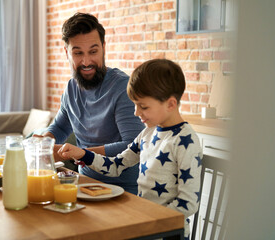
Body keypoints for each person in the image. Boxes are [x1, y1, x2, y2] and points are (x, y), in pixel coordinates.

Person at [58, 59, 202, 239]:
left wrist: (146, 218)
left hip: (168, 233)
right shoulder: (148, 134)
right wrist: (84, 154)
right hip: (146, 226)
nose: (135, 113)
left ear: (171, 104)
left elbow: (189, 203)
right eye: (135, 104)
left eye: (143, 106)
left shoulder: (185, 141)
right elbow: (115, 166)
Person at [39, 13, 144, 194]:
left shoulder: (123, 88)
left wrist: (81, 153)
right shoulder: (71, 88)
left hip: (125, 191)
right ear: (67, 53)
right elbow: (60, 128)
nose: (86, 62)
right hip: (84, 184)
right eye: (78, 53)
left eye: (93, 51)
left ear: (103, 48)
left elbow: (133, 145)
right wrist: (40, 144)